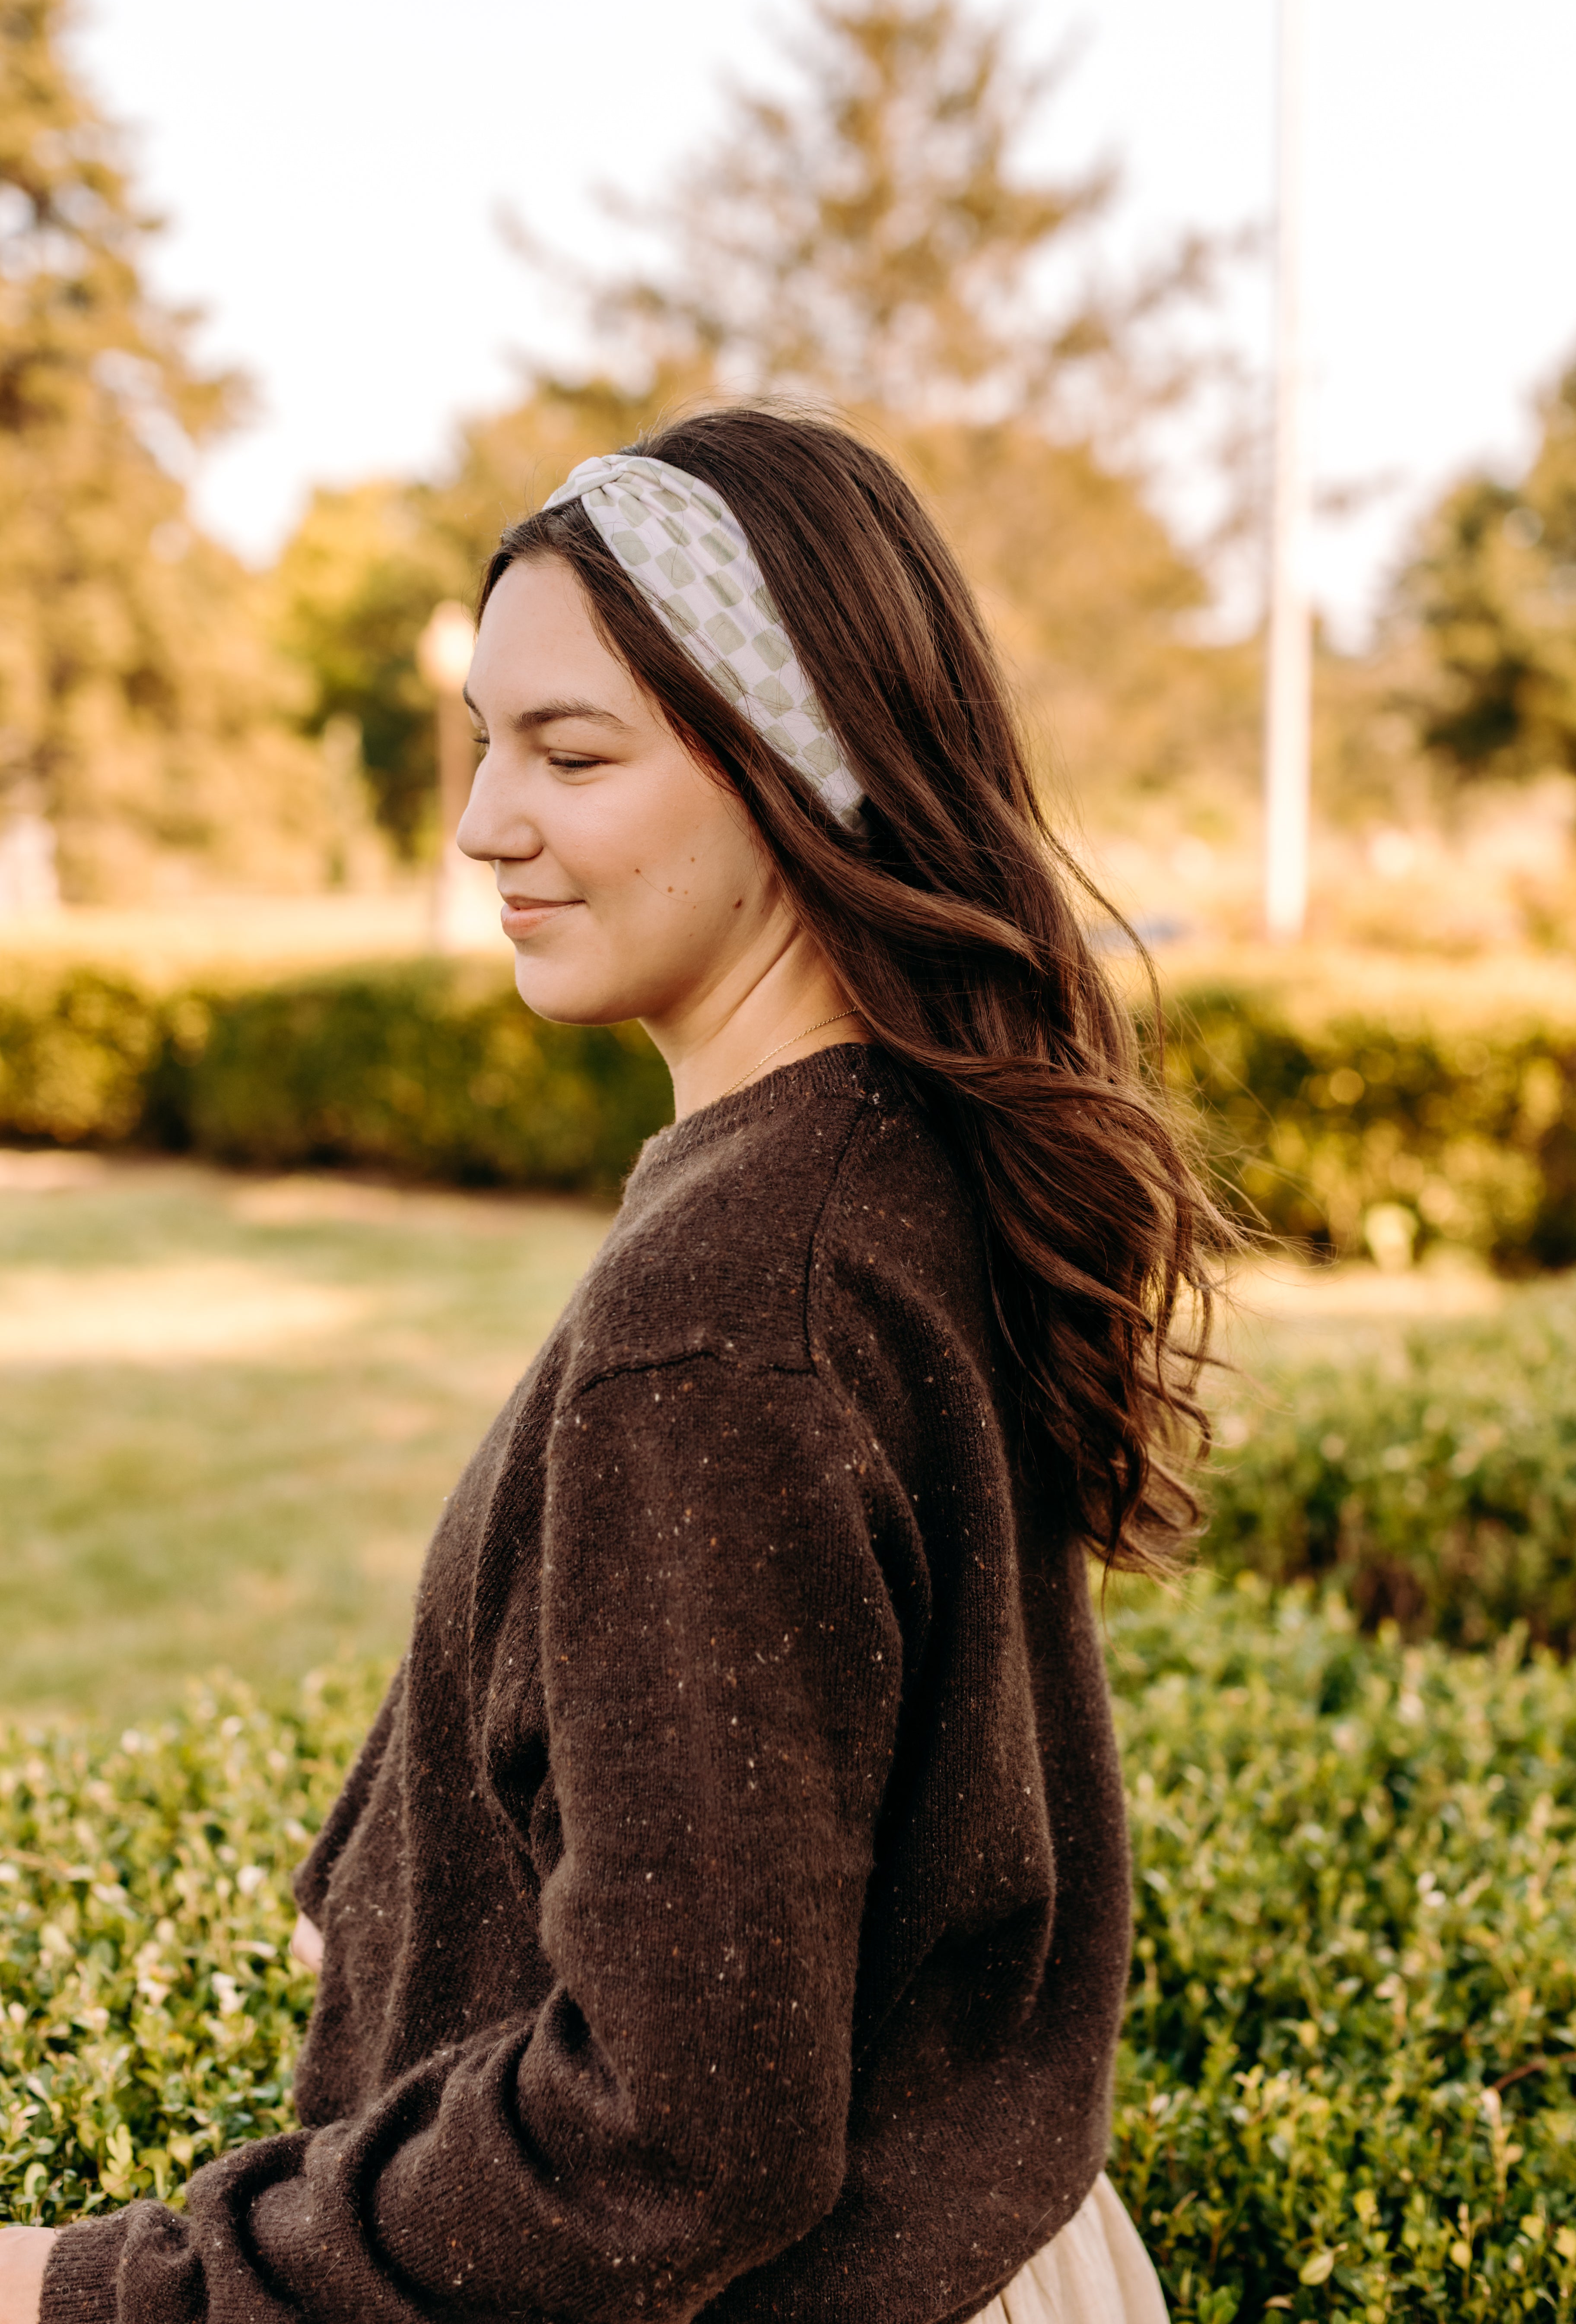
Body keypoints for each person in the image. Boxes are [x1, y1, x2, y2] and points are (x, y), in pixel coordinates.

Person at [4, 407, 1223, 2324]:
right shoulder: (895, 1159)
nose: (485, 822)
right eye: (488, 740)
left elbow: (673, 2138)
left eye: (572, 754)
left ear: (802, 771)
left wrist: (105, 2290)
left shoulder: (734, 1309)